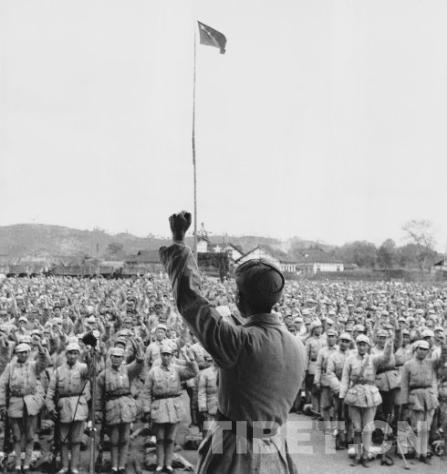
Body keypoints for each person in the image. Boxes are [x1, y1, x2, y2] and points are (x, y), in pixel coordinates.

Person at [159, 211, 306, 474]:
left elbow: (190, 301)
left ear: (239, 298)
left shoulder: (240, 341)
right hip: (275, 450)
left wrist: (179, 240)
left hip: (234, 452)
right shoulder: (298, 346)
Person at [142, 341, 198, 473]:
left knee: (170, 438)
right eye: (164, 354)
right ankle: (159, 464)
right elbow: (147, 392)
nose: (166, 357)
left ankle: (168, 464)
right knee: (160, 438)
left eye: (168, 355)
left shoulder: (177, 370)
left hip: (174, 406)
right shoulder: (154, 372)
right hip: (159, 406)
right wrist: (146, 409)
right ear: (160, 356)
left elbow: (193, 372)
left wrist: (190, 359)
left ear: (172, 356)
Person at [340, 334, 393, 468]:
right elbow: (345, 378)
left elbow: (386, 357)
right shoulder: (350, 360)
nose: (361, 347)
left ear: (368, 346)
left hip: (370, 396)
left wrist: (389, 342)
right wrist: (343, 395)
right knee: (357, 428)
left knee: (367, 428)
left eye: (364, 345)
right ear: (356, 345)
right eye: (359, 344)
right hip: (354, 395)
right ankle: (357, 455)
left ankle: (365, 456)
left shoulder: (373, 359)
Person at [0, 342, 49, 473]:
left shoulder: (33, 365)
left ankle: (26, 464)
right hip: (15, 403)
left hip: (30, 403)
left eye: (26, 352)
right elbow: (2, 385)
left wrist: (40, 348)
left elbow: (45, 362)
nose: (24, 355)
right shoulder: (10, 367)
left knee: (30, 436)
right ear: (16, 354)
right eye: (21, 352)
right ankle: (17, 464)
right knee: (16, 436)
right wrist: (2, 404)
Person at [95, 342, 144, 474]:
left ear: (123, 358)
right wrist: (98, 411)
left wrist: (139, 351)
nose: (116, 359)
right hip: (111, 407)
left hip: (126, 406)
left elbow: (139, 364)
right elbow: (98, 395)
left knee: (125, 439)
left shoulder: (127, 370)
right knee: (114, 439)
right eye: (114, 356)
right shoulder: (103, 375)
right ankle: (114, 466)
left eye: (119, 357)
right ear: (110, 357)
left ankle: (122, 466)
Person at [46, 342, 91, 474]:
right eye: (70, 353)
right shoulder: (58, 371)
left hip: (78, 406)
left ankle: (74, 467)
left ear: (78, 355)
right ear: (66, 354)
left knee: (76, 440)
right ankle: (65, 466)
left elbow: (92, 370)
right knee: (63, 440)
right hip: (63, 407)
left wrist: (89, 355)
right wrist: (51, 407)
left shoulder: (83, 368)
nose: (72, 356)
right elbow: (50, 391)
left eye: (75, 353)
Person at [400, 339, 447, 463]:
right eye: (420, 349)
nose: (422, 352)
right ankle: (417, 451)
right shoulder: (408, 365)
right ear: (416, 349)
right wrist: (404, 401)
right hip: (415, 396)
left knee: (427, 426)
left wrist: (444, 346)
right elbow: (404, 384)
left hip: (429, 396)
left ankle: (424, 452)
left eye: (425, 350)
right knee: (417, 425)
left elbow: (443, 360)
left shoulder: (431, 363)